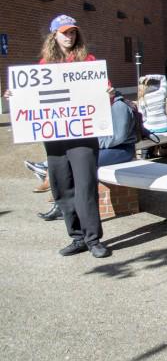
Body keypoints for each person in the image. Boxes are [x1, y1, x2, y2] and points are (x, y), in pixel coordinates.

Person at [7, 15, 110, 257]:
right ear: (54, 35)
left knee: (85, 187)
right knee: (62, 187)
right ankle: (77, 238)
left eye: (73, 32)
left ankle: (93, 239)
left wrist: (108, 93)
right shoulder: (43, 66)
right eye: (64, 32)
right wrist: (16, 96)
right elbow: (32, 99)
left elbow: (102, 95)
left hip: (83, 136)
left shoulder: (88, 62)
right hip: (55, 138)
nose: (69, 36)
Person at [36, 87, 138, 221]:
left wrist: (93, 145)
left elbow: (118, 137)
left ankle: (49, 176)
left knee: (81, 164)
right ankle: (60, 204)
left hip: (121, 150)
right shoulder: (99, 106)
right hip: (104, 148)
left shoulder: (119, 106)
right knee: (73, 162)